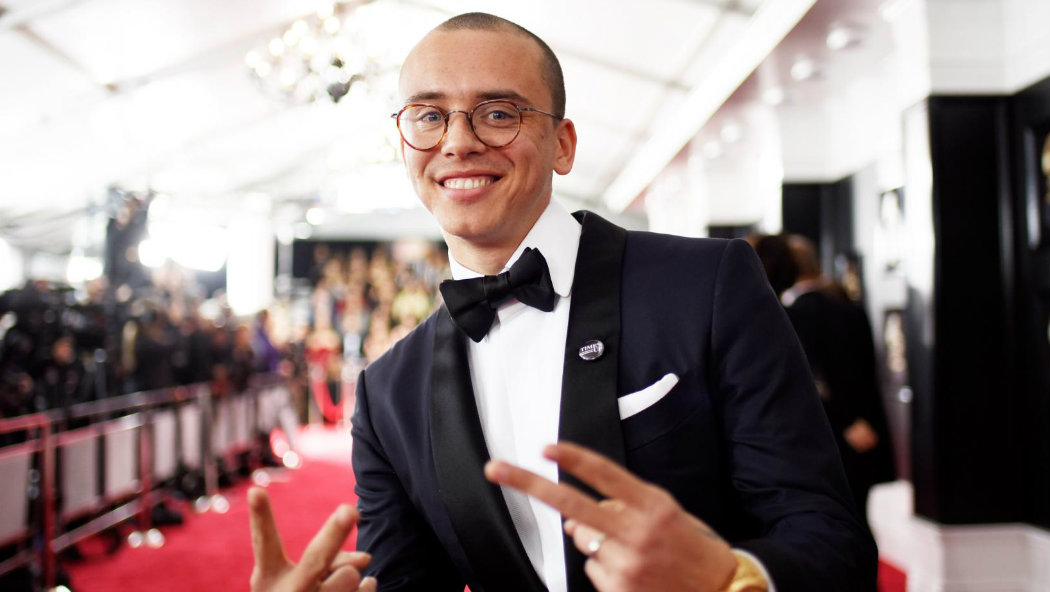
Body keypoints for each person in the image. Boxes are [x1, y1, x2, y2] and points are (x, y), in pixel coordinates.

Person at [249, 12, 875, 592]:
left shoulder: (705, 284)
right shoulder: (389, 390)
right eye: (429, 116)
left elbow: (831, 541)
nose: (458, 141)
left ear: (563, 144)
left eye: (498, 113)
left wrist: (730, 578)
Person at [780, 235, 896, 527]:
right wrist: (862, 419)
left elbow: (813, 379)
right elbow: (867, 372)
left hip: (828, 428)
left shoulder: (795, 314)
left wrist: (845, 421)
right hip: (863, 426)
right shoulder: (848, 307)